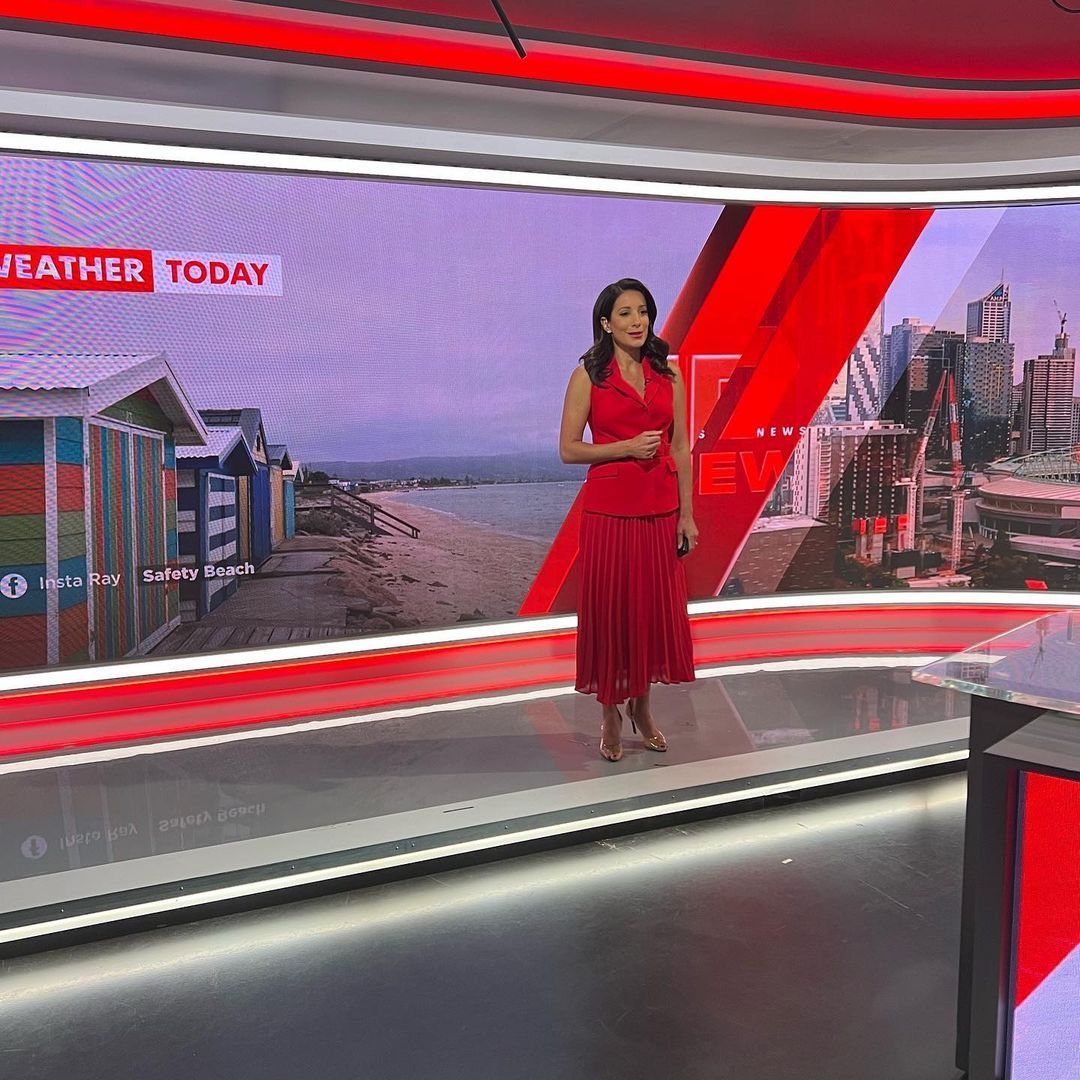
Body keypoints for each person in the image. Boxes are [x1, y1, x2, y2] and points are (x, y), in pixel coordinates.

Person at [558, 278, 698, 761]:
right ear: (606, 323)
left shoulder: (669, 374)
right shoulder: (588, 376)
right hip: (610, 514)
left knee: (649, 614)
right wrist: (626, 447)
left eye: (643, 311)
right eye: (625, 313)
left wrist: (687, 515)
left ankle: (642, 707)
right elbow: (568, 449)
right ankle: (609, 714)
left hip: (661, 512)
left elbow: (681, 446)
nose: (637, 321)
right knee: (613, 614)